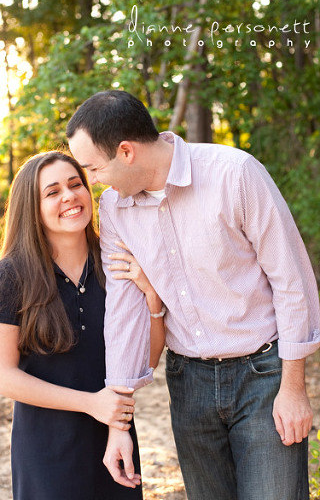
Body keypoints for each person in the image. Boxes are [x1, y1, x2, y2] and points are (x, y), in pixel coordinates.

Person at [66, 90, 320, 499]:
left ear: (126, 152)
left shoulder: (234, 174)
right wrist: (118, 427)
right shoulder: (114, 209)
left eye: (94, 169)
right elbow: (123, 315)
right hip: (189, 384)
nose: (93, 182)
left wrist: (293, 389)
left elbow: (291, 280)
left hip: (263, 376)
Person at [0, 151, 166, 499]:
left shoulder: (115, 263)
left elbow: (148, 360)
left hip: (115, 437)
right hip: (46, 450)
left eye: (75, 184)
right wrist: (90, 403)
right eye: (52, 192)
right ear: (31, 207)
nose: (69, 196)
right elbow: (3, 377)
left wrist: (152, 298)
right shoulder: (11, 275)